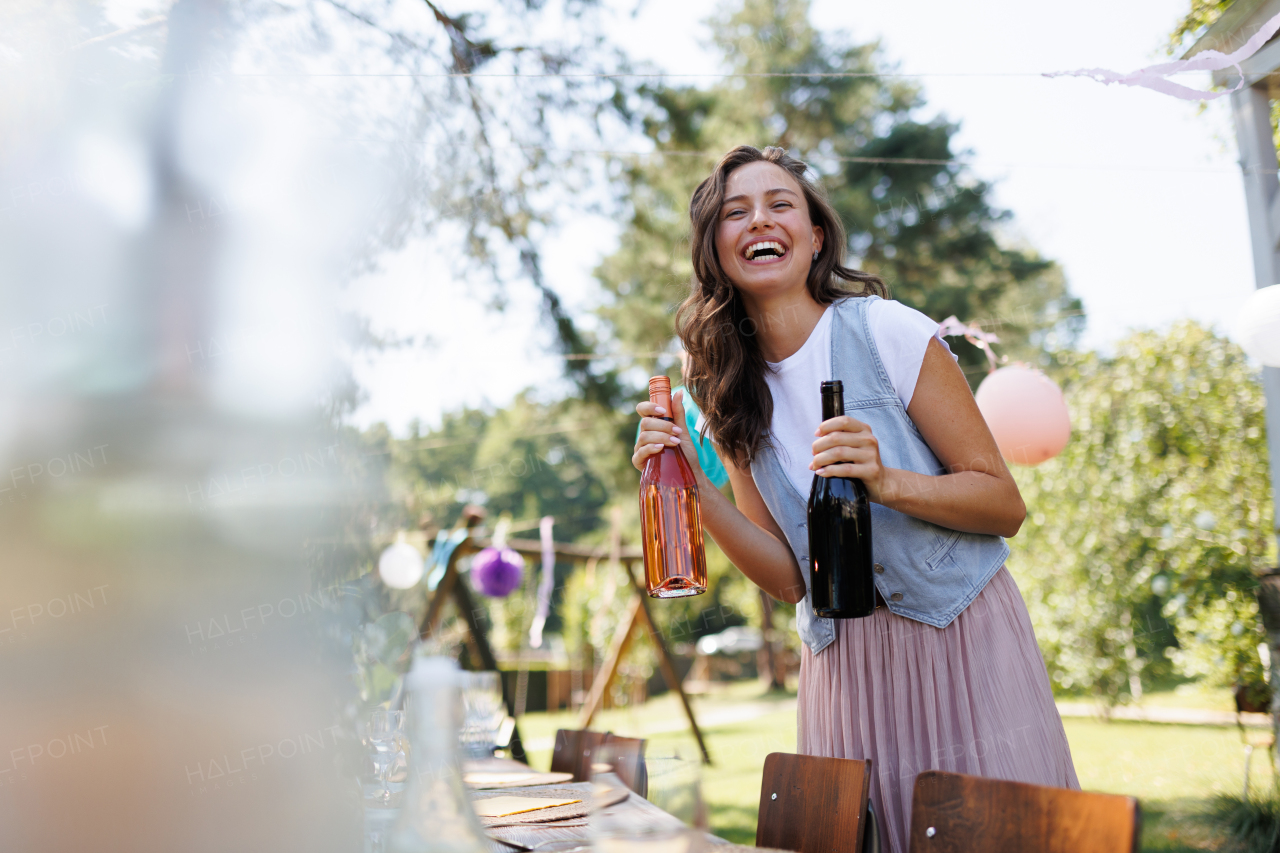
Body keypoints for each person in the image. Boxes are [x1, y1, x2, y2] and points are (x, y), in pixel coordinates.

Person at [631, 145, 1077, 853]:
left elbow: (1003, 503)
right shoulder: (729, 392)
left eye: (781, 203)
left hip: (958, 639)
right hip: (846, 669)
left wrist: (886, 482)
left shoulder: (887, 330)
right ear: (714, 249)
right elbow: (785, 577)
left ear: (814, 236)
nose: (759, 220)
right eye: (735, 211)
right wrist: (693, 483)